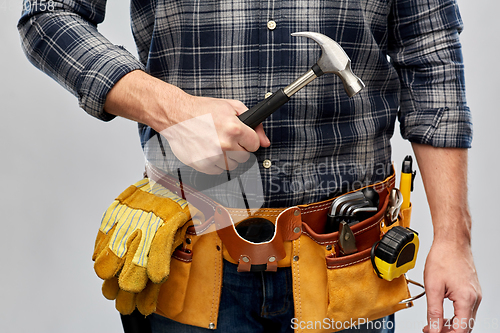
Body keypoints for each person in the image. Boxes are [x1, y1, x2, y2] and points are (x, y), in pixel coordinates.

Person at [18, 0, 481, 332]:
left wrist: (454, 239)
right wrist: (173, 109)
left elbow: (431, 56)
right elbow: (47, 13)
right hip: (187, 249)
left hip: (345, 262)